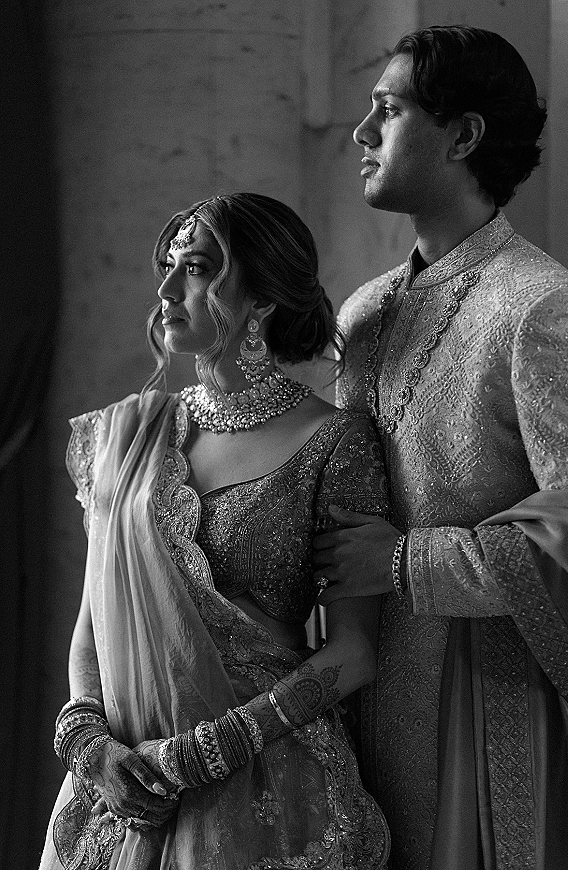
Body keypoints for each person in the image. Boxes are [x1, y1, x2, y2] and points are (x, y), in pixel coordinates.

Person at [39, 192, 391, 869]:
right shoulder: (126, 438)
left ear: (261, 302)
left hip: (265, 782)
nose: (167, 288)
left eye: (196, 268)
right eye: (168, 265)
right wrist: (87, 741)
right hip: (126, 789)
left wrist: (212, 749)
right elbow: (94, 626)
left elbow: (355, 652)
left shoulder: (333, 441)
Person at [313, 25, 568, 870]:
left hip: (484, 705)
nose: (362, 133)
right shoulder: (361, 317)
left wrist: (406, 564)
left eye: (387, 111)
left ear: (463, 135)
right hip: (355, 701)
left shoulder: (538, 307)